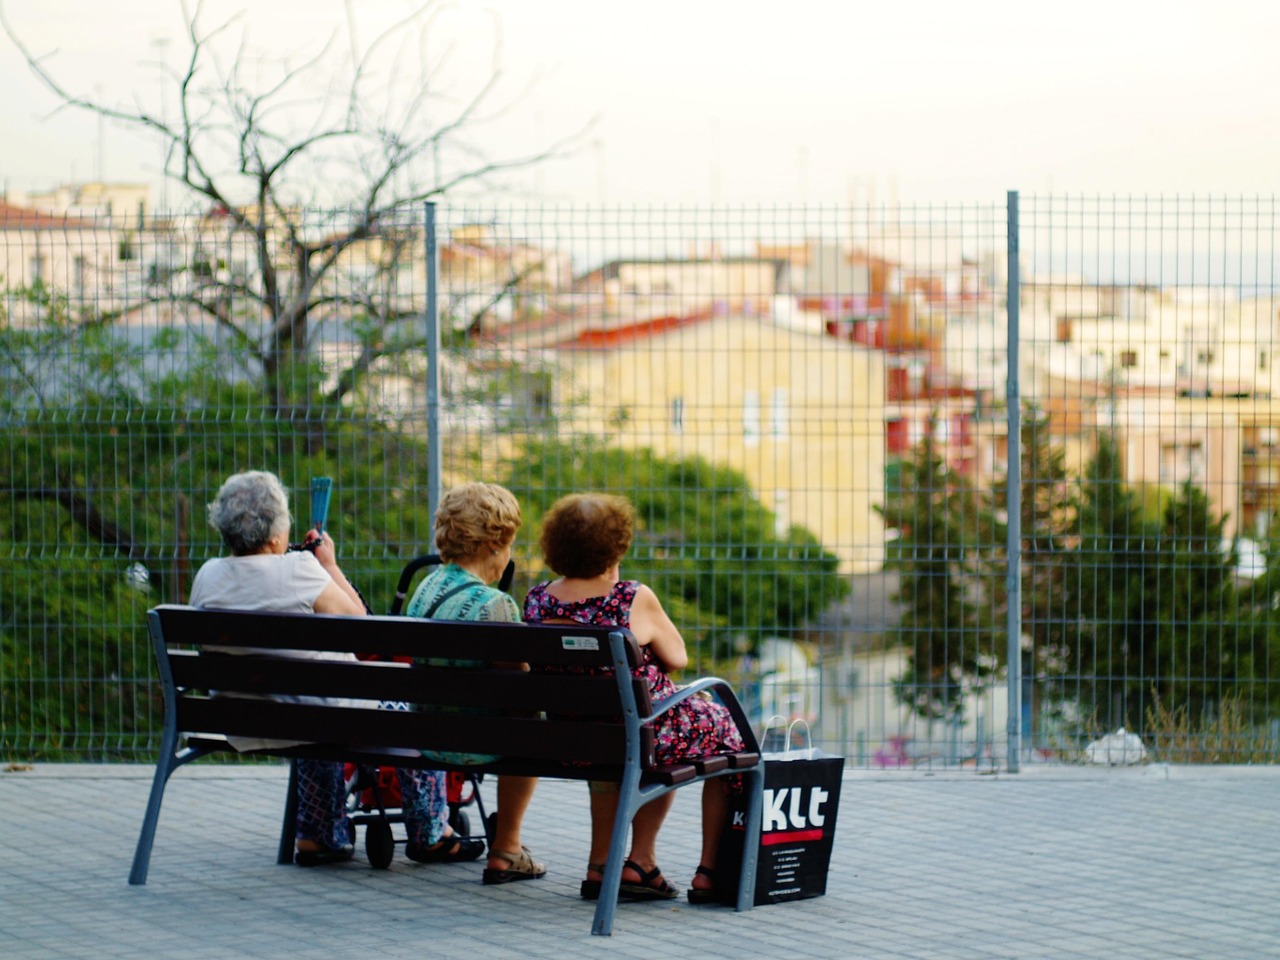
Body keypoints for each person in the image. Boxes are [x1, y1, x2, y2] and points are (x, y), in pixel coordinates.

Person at [188, 470, 483, 867]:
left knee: (313, 710)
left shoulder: (208, 576)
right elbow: (362, 629)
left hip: (241, 719)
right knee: (411, 703)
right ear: (276, 533)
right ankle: (430, 831)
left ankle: (318, 834)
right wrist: (329, 564)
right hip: (320, 717)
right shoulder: (298, 570)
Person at [522, 492, 745, 905]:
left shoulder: (538, 600)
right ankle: (701, 871)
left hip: (570, 740)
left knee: (655, 727)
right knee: (718, 726)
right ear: (617, 545)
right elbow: (677, 658)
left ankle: (612, 865)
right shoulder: (630, 597)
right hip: (632, 736)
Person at [404, 482, 545, 885]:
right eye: (511, 544)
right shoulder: (497, 604)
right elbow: (521, 689)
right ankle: (507, 847)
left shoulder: (424, 588)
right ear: (493, 543)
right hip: (475, 744)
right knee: (530, 724)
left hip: (428, 735)